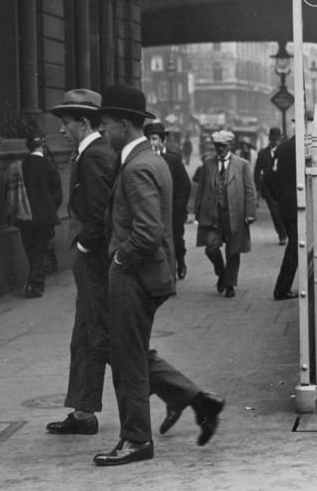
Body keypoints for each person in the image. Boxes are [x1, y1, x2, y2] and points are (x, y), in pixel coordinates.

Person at [93, 85, 224, 467]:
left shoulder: (137, 168)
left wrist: (119, 259)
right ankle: (199, 401)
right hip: (146, 275)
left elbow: (148, 232)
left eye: (104, 126)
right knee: (126, 350)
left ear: (122, 125)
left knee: (127, 359)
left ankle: (136, 439)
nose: (103, 133)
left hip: (133, 276)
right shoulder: (151, 160)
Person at [46, 88, 117, 436]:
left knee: (96, 336)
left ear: (84, 122)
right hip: (93, 262)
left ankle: (186, 394)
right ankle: (83, 410)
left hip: (96, 263)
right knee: (89, 336)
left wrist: (86, 246)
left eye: (66, 123)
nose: (62, 130)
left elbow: (102, 212)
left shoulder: (95, 156)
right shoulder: (89, 154)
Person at [193, 129, 256, 298]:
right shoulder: (208, 163)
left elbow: (250, 190)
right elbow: (201, 188)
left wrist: (250, 212)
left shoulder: (242, 164)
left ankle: (230, 285)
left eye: (222, 145)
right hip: (213, 214)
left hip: (235, 214)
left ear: (230, 145)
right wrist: (197, 210)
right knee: (211, 248)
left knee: (233, 250)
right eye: (216, 146)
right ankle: (222, 273)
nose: (219, 149)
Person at [8, 129, 62, 298]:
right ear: (43, 144)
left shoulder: (20, 166)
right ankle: (34, 285)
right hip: (45, 218)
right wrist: (50, 209)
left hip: (25, 218)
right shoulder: (50, 165)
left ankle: (35, 283)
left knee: (31, 251)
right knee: (40, 251)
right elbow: (57, 194)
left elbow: (9, 193)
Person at [144, 121, 193, 279]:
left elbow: (184, 185)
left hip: (173, 210)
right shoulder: (142, 159)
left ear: (162, 140)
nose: (151, 143)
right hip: (152, 210)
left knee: (176, 239)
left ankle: (180, 261)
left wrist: (177, 207)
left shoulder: (173, 159)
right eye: (148, 139)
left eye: (154, 139)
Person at [268, 133, 298, 300]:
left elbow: (269, 177)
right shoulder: (308, 146)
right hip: (300, 203)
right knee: (295, 247)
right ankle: (281, 289)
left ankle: (283, 287)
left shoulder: (282, 148)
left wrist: (280, 196)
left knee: (295, 246)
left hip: (287, 204)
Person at [254, 127, 288, 244]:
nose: (274, 141)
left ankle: (285, 231)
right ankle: (282, 235)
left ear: (280, 139)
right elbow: (257, 171)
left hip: (282, 187)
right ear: (269, 139)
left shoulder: (284, 151)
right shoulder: (262, 153)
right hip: (268, 188)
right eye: (272, 139)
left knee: (283, 211)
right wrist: (259, 187)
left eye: (276, 139)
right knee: (274, 212)